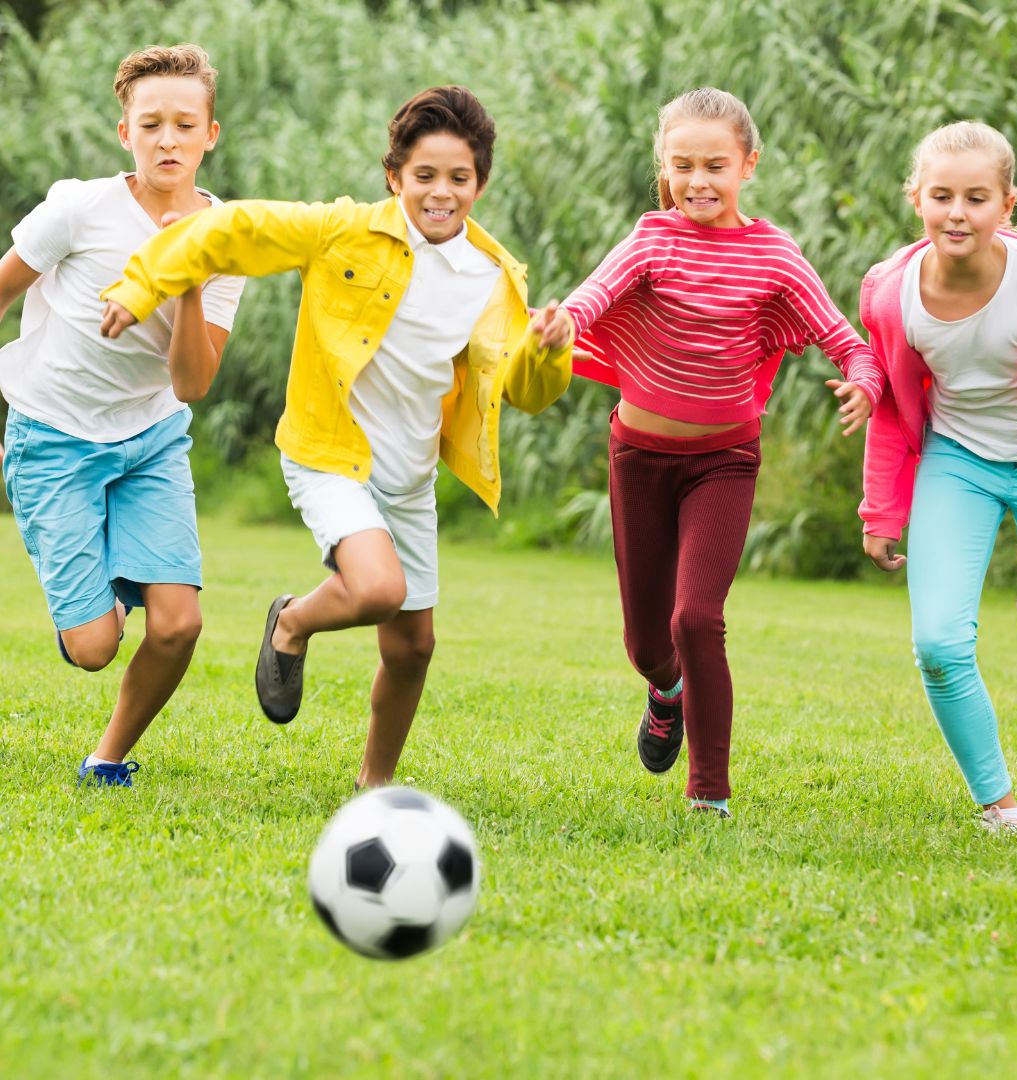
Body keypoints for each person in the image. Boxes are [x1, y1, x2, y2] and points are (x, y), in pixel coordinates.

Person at [100, 85, 573, 790]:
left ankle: (373, 788)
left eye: (459, 178)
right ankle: (291, 623)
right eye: (424, 176)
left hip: (409, 480)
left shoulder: (495, 277)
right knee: (379, 587)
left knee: (414, 647)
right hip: (329, 454)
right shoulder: (342, 230)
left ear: (480, 181)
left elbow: (529, 396)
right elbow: (230, 230)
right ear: (394, 177)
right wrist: (142, 286)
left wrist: (547, 349)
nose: (440, 194)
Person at [550, 87, 884, 816]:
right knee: (647, 643)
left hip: (722, 464)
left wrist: (864, 383)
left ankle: (710, 794)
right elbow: (587, 302)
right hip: (638, 457)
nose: (697, 182)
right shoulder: (649, 240)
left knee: (696, 618)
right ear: (662, 167)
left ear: (748, 165)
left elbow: (846, 343)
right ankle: (663, 693)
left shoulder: (774, 257)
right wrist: (556, 328)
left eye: (714, 165)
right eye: (681, 166)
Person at [0, 44, 244, 787]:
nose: (167, 139)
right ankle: (89, 580)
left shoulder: (225, 238)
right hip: (52, 437)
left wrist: (187, 283)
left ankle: (107, 759)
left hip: (150, 438)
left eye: (183, 124)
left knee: (179, 625)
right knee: (93, 647)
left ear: (211, 134)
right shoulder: (79, 208)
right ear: (125, 133)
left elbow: (195, 381)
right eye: (151, 124)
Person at [860, 121, 1017, 833]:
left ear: (1007, 204)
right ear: (916, 198)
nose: (958, 212)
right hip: (959, 465)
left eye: (977, 198)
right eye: (943, 195)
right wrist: (882, 513)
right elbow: (893, 409)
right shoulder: (891, 295)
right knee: (938, 644)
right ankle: (998, 804)